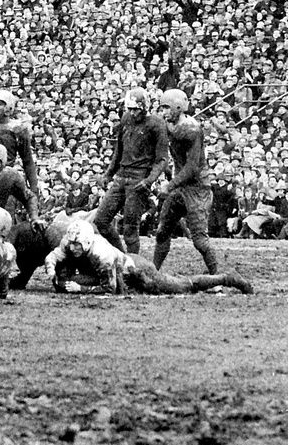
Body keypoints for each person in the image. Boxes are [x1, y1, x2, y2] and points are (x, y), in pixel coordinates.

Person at [45, 218, 252, 295]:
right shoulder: (70, 243)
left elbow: (111, 288)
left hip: (137, 272)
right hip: (122, 268)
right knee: (66, 281)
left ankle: (227, 278)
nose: (73, 249)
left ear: (88, 242)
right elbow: (54, 256)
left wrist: (81, 288)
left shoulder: (102, 255)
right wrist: (51, 268)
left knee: (183, 285)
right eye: (71, 245)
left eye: (77, 245)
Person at [90, 87, 169, 254]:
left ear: (145, 107)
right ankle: (121, 254)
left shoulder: (156, 124)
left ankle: (133, 265)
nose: (133, 113)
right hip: (121, 175)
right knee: (101, 220)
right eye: (130, 109)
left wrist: (149, 180)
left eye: (136, 109)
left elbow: (162, 159)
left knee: (130, 228)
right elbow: (119, 149)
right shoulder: (126, 118)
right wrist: (109, 173)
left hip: (139, 178)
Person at [153, 89, 221, 274]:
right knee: (162, 232)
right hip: (181, 185)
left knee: (199, 239)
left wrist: (169, 184)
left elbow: (192, 168)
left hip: (197, 187)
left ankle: (217, 277)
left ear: (178, 107)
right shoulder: (169, 124)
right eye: (162, 108)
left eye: (167, 107)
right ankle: (154, 272)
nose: (164, 112)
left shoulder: (191, 129)